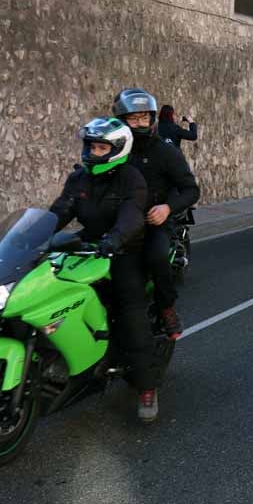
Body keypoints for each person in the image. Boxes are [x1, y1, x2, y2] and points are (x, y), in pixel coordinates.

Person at [49, 117, 160, 422]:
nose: (94, 152)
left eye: (101, 147)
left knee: (130, 311)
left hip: (124, 249)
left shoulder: (131, 178)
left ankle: (147, 387)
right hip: (89, 244)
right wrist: (33, 237)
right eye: (92, 146)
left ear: (118, 149)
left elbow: (131, 215)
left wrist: (115, 239)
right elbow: (60, 210)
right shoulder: (79, 178)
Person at [113, 88, 201, 338]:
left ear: (152, 119)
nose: (140, 123)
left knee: (158, 257)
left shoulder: (166, 152)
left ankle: (166, 309)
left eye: (144, 117)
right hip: (118, 222)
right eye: (133, 118)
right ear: (122, 120)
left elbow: (190, 190)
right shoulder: (114, 149)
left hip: (154, 222)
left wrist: (167, 208)